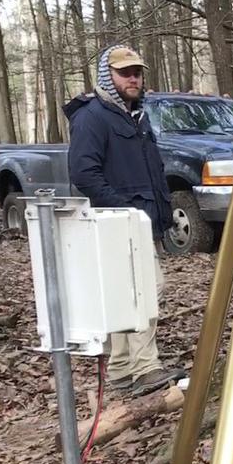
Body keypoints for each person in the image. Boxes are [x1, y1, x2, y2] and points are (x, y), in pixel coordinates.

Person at [65, 45, 185, 397]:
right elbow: (84, 174)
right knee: (146, 291)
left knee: (127, 294)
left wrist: (164, 216)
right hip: (117, 224)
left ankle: (120, 369)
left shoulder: (138, 116)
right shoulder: (92, 117)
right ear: (108, 76)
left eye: (137, 72)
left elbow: (152, 170)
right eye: (124, 72)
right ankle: (145, 367)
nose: (133, 78)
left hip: (141, 222)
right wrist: (124, 212)